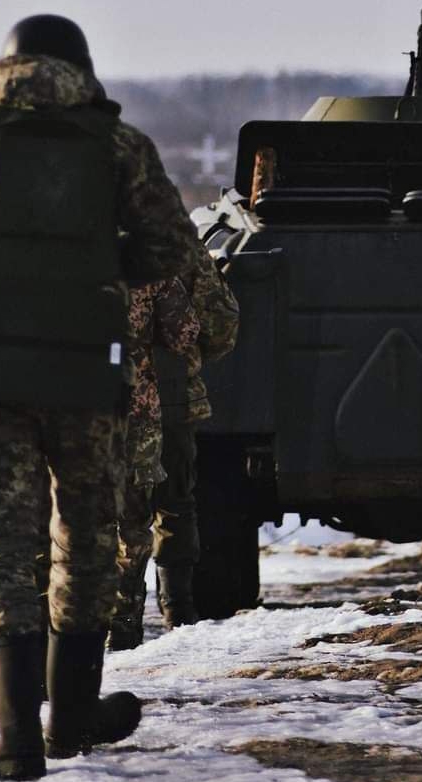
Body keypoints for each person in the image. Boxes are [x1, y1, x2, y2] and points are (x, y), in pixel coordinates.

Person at [0, 13, 193, 779]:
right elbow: (169, 246)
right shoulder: (118, 143)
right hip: (88, 363)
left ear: (7, 65)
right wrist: (98, 279)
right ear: (80, 70)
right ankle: (75, 716)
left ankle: (18, 737)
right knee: (84, 537)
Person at [150, 242, 239, 627]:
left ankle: (118, 623)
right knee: (174, 502)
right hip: (172, 395)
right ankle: (178, 609)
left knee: (102, 510)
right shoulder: (179, 244)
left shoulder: (86, 236)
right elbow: (219, 326)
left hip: (98, 398)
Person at [110, 278, 199, 649]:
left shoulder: (47, 255)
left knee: (62, 514)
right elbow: (184, 333)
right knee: (134, 521)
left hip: (59, 406)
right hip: (134, 408)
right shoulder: (148, 265)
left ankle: (50, 630)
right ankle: (124, 624)